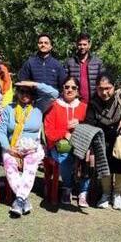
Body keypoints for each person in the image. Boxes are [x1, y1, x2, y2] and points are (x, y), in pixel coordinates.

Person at [0, 81, 59, 216]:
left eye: (28, 92)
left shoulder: (39, 107)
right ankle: (23, 200)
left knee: (30, 167)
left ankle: (19, 199)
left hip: (33, 147)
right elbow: (1, 132)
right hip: (12, 147)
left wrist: (35, 84)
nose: (25, 95)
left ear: (33, 94)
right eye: (22, 91)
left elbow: (54, 94)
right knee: (9, 166)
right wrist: (8, 149)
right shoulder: (9, 109)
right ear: (17, 93)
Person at [85, 72, 121, 210]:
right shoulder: (93, 101)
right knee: (105, 167)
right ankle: (105, 194)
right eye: (100, 89)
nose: (104, 92)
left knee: (120, 165)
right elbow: (89, 122)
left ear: (114, 87)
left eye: (108, 88)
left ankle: (117, 195)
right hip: (102, 139)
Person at [44, 76, 90, 206]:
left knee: (89, 156)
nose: (70, 90)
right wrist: (64, 133)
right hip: (58, 146)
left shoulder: (84, 107)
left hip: (81, 145)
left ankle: (83, 191)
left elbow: (91, 128)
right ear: (62, 88)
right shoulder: (54, 106)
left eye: (73, 87)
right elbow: (49, 132)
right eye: (67, 87)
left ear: (78, 91)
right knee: (65, 156)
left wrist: (80, 124)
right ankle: (67, 187)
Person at [17, 33, 67, 112]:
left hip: (53, 104)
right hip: (35, 104)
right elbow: (21, 81)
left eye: (46, 43)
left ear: (50, 46)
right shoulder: (30, 63)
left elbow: (63, 85)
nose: (43, 45)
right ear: (38, 45)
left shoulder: (57, 64)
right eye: (41, 43)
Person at [64, 33, 104, 100]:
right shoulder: (70, 63)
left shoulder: (98, 62)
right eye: (80, 44)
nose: (82, 47)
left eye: (84, 44)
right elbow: (64, 82)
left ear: (89, 45)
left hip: (93, 101)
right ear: (76, 45)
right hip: (76, 101)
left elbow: (103, 82)